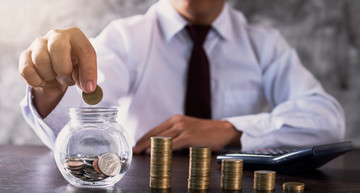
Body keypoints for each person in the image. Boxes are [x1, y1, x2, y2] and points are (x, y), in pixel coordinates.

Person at [19, 0, 345, 154]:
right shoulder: (126, 38)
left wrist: (229, 130)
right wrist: (53, 90)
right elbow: (83, 127)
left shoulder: (264, 44)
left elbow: (327, 120)